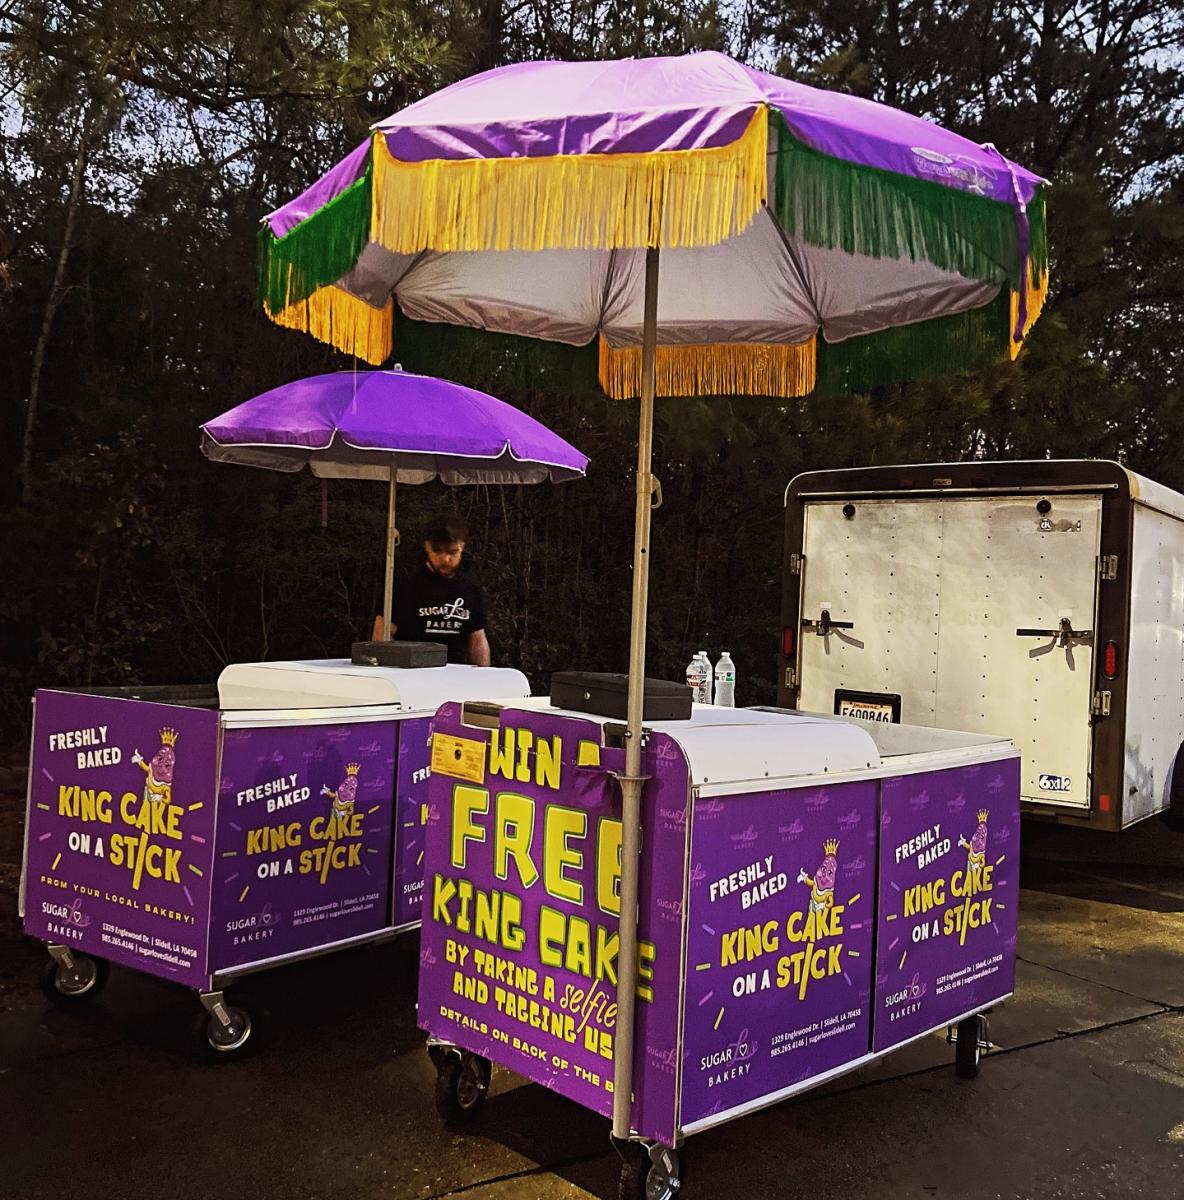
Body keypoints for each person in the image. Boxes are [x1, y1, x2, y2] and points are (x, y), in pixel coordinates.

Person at [390, 515, 491, 666]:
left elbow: (477, 639)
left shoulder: (470, 589)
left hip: (455, 678)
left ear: (461, 547)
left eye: (452, 552)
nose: (445, 559)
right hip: (412, 676)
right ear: (427, 547)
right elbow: (383, 635)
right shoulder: (406, 586)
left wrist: (484, 678)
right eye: (437, 551)